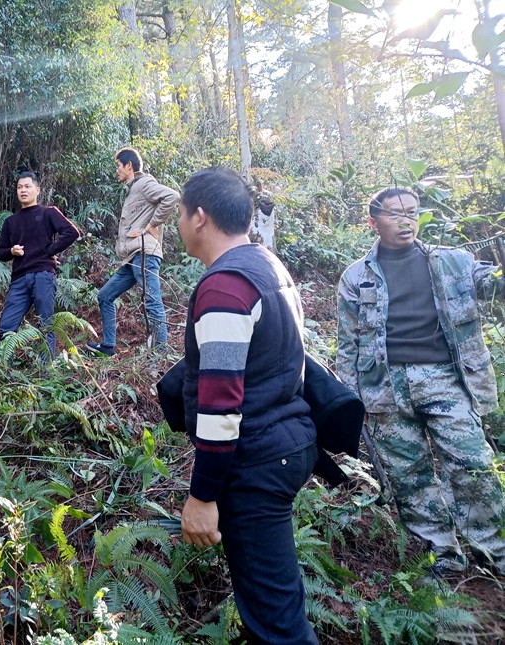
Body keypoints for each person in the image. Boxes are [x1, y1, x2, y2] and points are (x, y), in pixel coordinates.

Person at [175, 167, 318, 643]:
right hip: (287, 441)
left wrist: (202, 496)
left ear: (199, 217)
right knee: (276, 596)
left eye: (179, 212)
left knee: (277, 624)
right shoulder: (267, 265)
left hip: (255, 461)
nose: (177, 222)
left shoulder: (224, 287)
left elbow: (221, 405)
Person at [337, 187, 505, 577]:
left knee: (473, 464)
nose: (406, 220)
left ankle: (495, 552)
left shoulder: (452, 262)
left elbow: (492, 282)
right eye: (395, 213)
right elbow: (347, 344)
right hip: (384, 387)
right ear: (373, 221)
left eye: (412, 212)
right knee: (409, 476)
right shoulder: (356, 276)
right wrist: (348, 402)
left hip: (444, 380)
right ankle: (443, 556)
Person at [85, 147, 179, 356]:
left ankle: (160, 356)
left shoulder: (144, 184)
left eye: (118, 165)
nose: (116, 170)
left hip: (144, 253)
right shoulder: (133, 189)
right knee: (105, 296)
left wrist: (152, 224)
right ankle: (108, 347)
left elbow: (172, 196)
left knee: (153, 302)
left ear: (129, 166)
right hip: (132, 258)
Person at [0, 171, 80, 355]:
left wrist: (50, 250)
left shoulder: (48, 213)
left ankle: (46, 373)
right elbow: (0, 252)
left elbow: (71, 232)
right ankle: (1, 372)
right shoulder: (10, 221)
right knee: (6, 328)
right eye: (19, 187)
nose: (23, 191)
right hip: (19, 279)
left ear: (37, 190)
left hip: (43, 275)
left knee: (46, 326)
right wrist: (11, 251)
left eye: (27, 186)